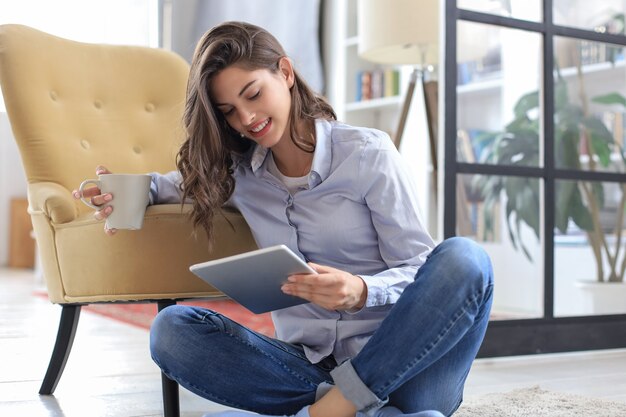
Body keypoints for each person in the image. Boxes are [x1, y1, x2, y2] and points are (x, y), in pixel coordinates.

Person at [74, 21, 493, 417]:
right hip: (307, 369)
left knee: (466, 259)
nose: (246, 119)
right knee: (171, 329)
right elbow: (166, 185)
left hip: (403, 366)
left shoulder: (367, 154)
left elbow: (421, 268)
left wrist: (361, 291)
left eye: (253, 94)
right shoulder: (238, 172)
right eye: (228, 111)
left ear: (286, 73)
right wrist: (119, 194)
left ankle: (343, 404)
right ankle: (352, 409)